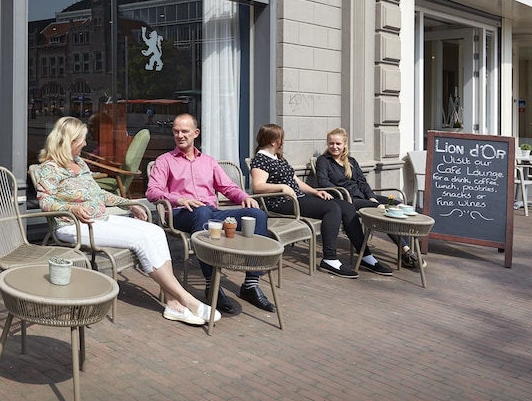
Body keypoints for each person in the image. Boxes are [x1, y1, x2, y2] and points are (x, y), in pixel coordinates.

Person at [36, 116, 215, 327]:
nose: (85, 143)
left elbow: (99, 194)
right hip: (72, 225)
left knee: (154, 231)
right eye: (81, 139)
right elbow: (45, 202)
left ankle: (173, 303)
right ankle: (186, 299)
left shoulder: (79, 163)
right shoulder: (50, 168)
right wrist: (72, 208)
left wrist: (128, 204)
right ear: (69, 141)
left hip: (98, 219)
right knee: (140, 239)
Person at [146, 113, 276, 315]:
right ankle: (212, 284)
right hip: (181, 214)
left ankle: (251, 284)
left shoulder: (208, 162)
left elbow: (227, 187)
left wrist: (244, 197)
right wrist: (178, 199)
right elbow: (152, 192)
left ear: (196, 133)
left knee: (256, 215)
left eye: (185, 131)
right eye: (176, 131)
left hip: (210, 213)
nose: (180, 135)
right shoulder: (165, 161)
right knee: (203, 212)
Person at [249, 123, 393, 279]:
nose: (283, 141)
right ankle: (329, 258)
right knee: (332, 208)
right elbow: (258, 186)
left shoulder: (278, 158)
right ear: (274, 141)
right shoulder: (261, 159)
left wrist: (316, 192)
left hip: (298, 199)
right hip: (280, 203)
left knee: (346, 206)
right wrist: (282, 187)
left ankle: (365, 256)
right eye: (281, 138)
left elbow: (296, 181)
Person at [315, 128, 423, 268]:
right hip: (346, 199)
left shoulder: (351, 161)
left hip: (361, 196)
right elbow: (323, 182)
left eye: (338, 144)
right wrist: (350, 195)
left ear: (345, 144)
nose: (334, 147)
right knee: (384, 210)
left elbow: (362, 182)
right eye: (331, 143)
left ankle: (407, 250)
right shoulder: (323, 160)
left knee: (397, 205)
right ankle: (406, 250)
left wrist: (371, 197)